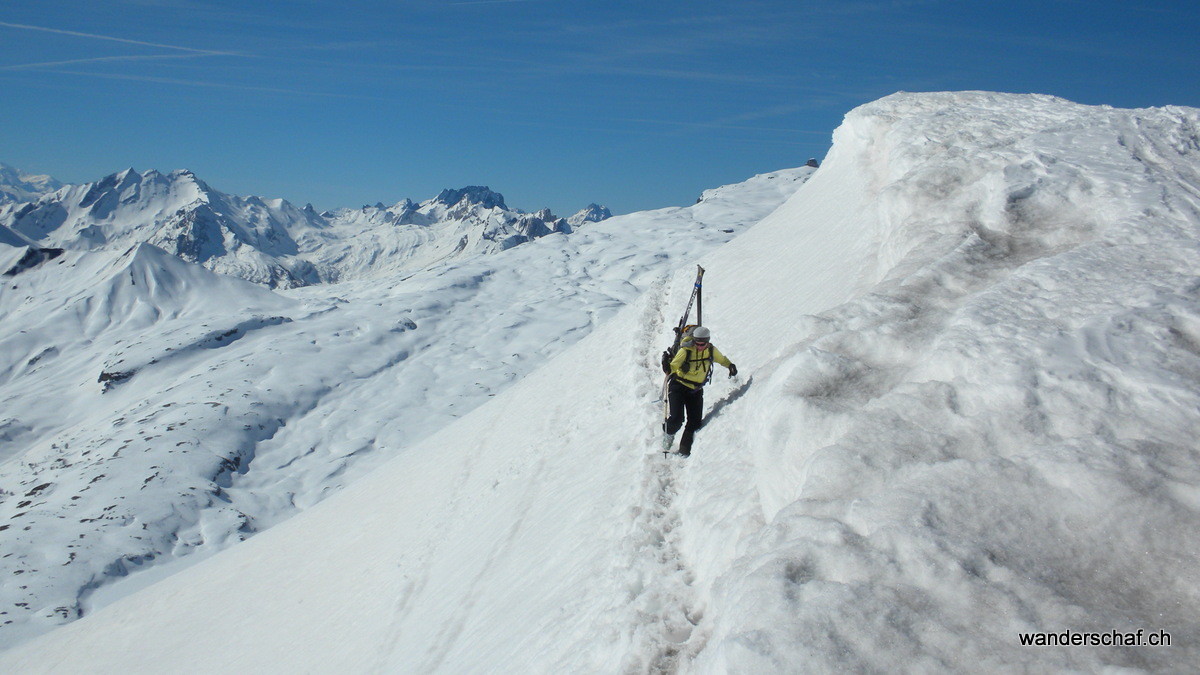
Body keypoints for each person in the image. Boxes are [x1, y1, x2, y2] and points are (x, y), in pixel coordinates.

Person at [663, 326, 737, 456]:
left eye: (703, 344)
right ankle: (668, 436)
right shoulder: (686, 350)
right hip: (679, 386)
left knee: (695, 421)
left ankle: (684, 449)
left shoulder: (711, 350)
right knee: (677, 419)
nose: (700, 346)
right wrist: (667, 367)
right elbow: (673, 366)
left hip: (695, 390)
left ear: (707, 341)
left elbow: (721, 359)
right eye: (697, 343)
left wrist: (730, 365)